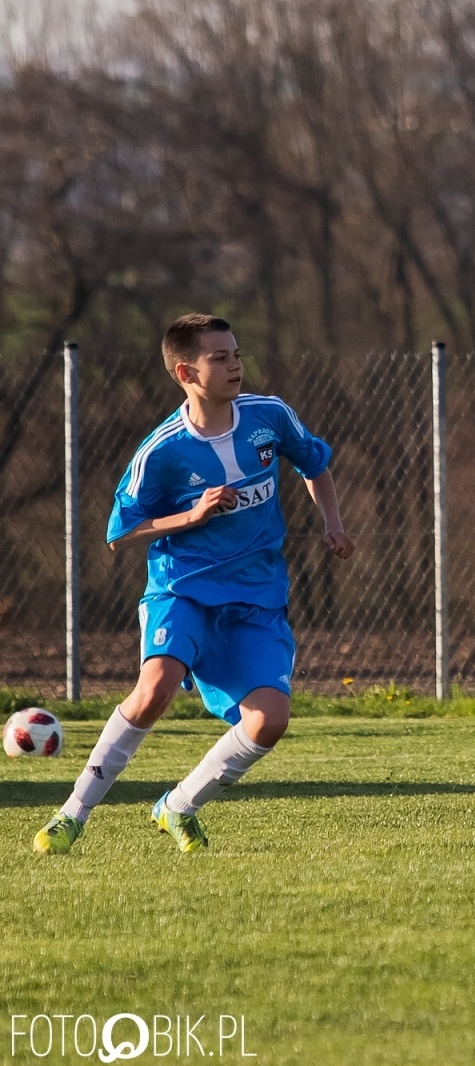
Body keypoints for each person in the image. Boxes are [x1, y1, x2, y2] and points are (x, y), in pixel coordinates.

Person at [34, 314, 354, 855]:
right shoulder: (161, 450)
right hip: (182, 589)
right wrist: (192, 516)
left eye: (236, 354)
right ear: (186, 371)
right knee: (155, 687)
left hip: (256, 599)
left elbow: (314, 464)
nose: (235, 365)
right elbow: (121, 532)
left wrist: (333, 523)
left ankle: (179, 805)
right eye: (220, 358)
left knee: (270, 720)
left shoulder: (268, 416)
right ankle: (73, 813)